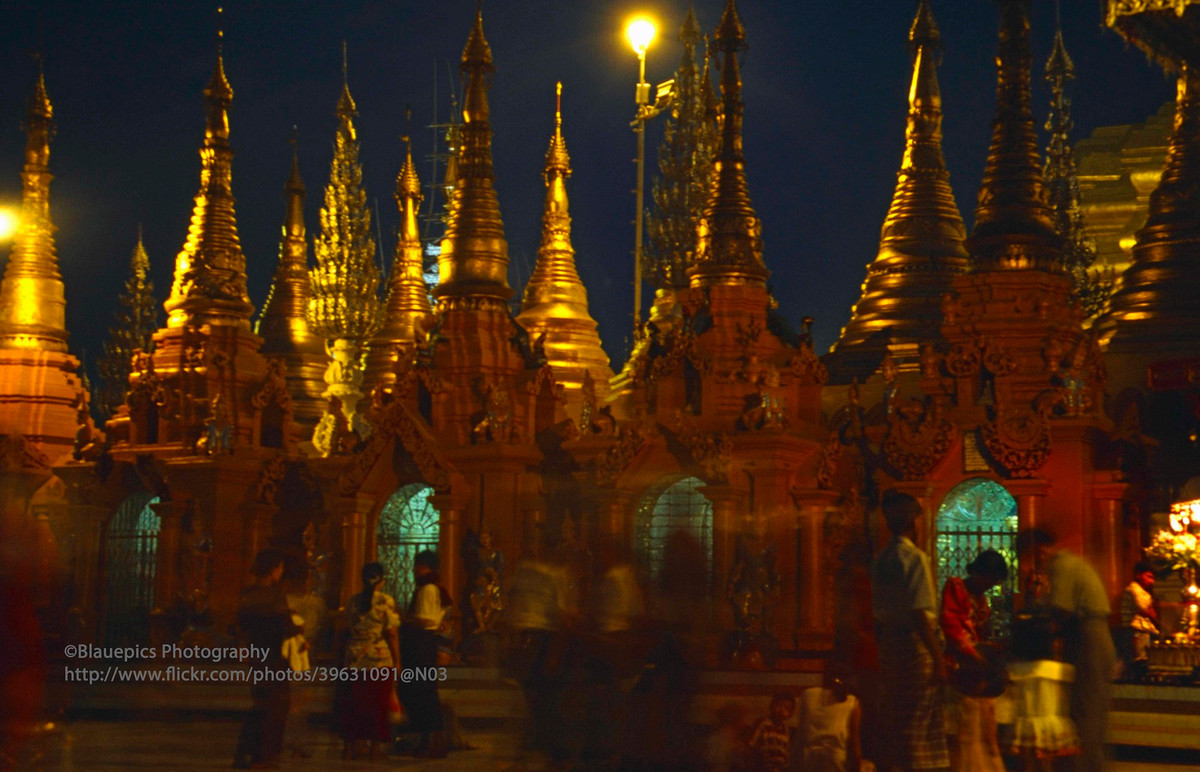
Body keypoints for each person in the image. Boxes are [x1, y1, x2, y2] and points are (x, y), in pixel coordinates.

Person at [1015, 528, 1115, 772]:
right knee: (1090, 707)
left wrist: (1032, 632)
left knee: (1085, 710)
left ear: (1038, 549)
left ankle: (1083, 766)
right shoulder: (1072, 564)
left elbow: (1060, 611)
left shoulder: (1062, 567)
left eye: (1027, 555)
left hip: (1088, 637)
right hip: (1092, 635)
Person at [870, 490, 949, 771]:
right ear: (913, 522)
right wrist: (938, 658)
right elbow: (919, 612)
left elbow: (878, 613)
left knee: (897, 719)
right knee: (919, 723)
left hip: (891, 647)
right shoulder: (915, 558)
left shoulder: (881, 560)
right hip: (916, 648)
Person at [939, 549, 1008, 772]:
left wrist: (987, 650)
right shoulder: (956, 586)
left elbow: (981, 632)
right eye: (991, 579)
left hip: (977, 668)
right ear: (982, 573)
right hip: (959, 666)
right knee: (964, 728)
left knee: (984, 726)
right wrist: (973, 652)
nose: (991, 585)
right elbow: (951, 624)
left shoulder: (981, 598)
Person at [233, 549, 300, 770]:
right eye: (280, 568)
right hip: (273, 655)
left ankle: (246, 751)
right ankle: (263, 755)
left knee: (260, 703)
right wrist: (298, 629)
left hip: (257, 655)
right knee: (275, 706)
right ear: (273, 570)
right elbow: (285, 624)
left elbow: (240, 625)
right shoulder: (275, 595)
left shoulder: (247, 594)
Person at [335, 562, 399, 761]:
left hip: (354, 658)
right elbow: (392, 633)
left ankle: (349, 748)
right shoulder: (385, 601)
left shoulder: (353, 601)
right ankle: (375, 750)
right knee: (377, 706)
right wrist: (398, 660)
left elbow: (346, 628)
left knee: (353, 704)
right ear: (381, 580)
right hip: (378, 659)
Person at [1006, 613, 1079, 771]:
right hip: (1055, 724)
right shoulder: (1062, 670)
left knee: (1027, 764)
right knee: (1050, 765)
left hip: (1025, 724)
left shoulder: (1015, 670)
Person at [398, 550, 452, 758]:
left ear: (423, 566)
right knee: (420, 692)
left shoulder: (428, 588)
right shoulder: (430, 586)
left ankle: (434, 741)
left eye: (416, 565)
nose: (414, 570)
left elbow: (427, 620)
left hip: (421, 644)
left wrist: (405, 620)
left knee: (425, 692)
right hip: (421, 645)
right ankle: (424, 740)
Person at [796, 667, 864, 772]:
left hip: (808, 758)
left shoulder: (808, 694)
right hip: (835, 759)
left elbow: (801, 730)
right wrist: (857, 766)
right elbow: (854, 742)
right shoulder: (852, 702)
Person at [1118, 560, 1158, 682]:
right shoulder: (1134, 589)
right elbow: (1145, 609)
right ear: (1138, 574)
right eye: (1149, 577)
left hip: (1144, 630)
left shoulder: (1144, 592)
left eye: (1153, 578)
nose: (1152, 581)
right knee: (1138, 658)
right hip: (1136, 630)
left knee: (1145, 657)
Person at [749, 692, 795, 772]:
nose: (782, 710)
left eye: (787, 708)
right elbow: (753, 743)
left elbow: (786, 749)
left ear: (790, 714)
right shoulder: (764, 724)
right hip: (762, 766)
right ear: (771, 706)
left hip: (779, 767)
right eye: (779, 706)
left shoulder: (785, 730)